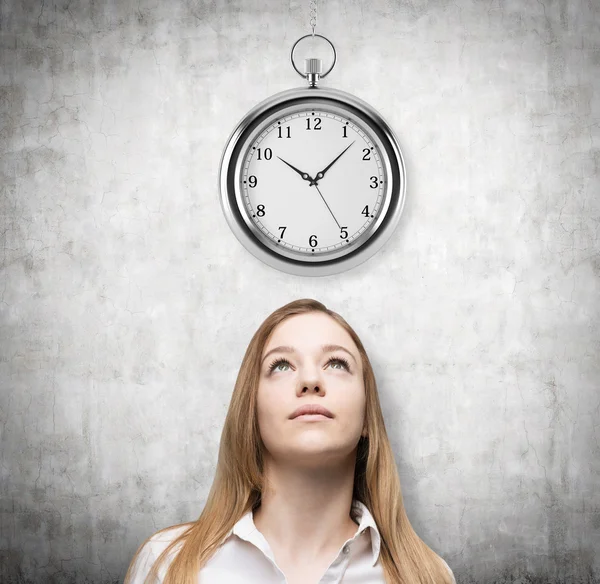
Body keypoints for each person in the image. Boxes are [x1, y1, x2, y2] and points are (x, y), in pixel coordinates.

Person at [124, 298, 456, 584]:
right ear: (251, 412)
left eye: (337, 363)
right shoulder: (165, 564)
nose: (311, 380)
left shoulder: (427, 576)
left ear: (368, 415)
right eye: (281, 365)